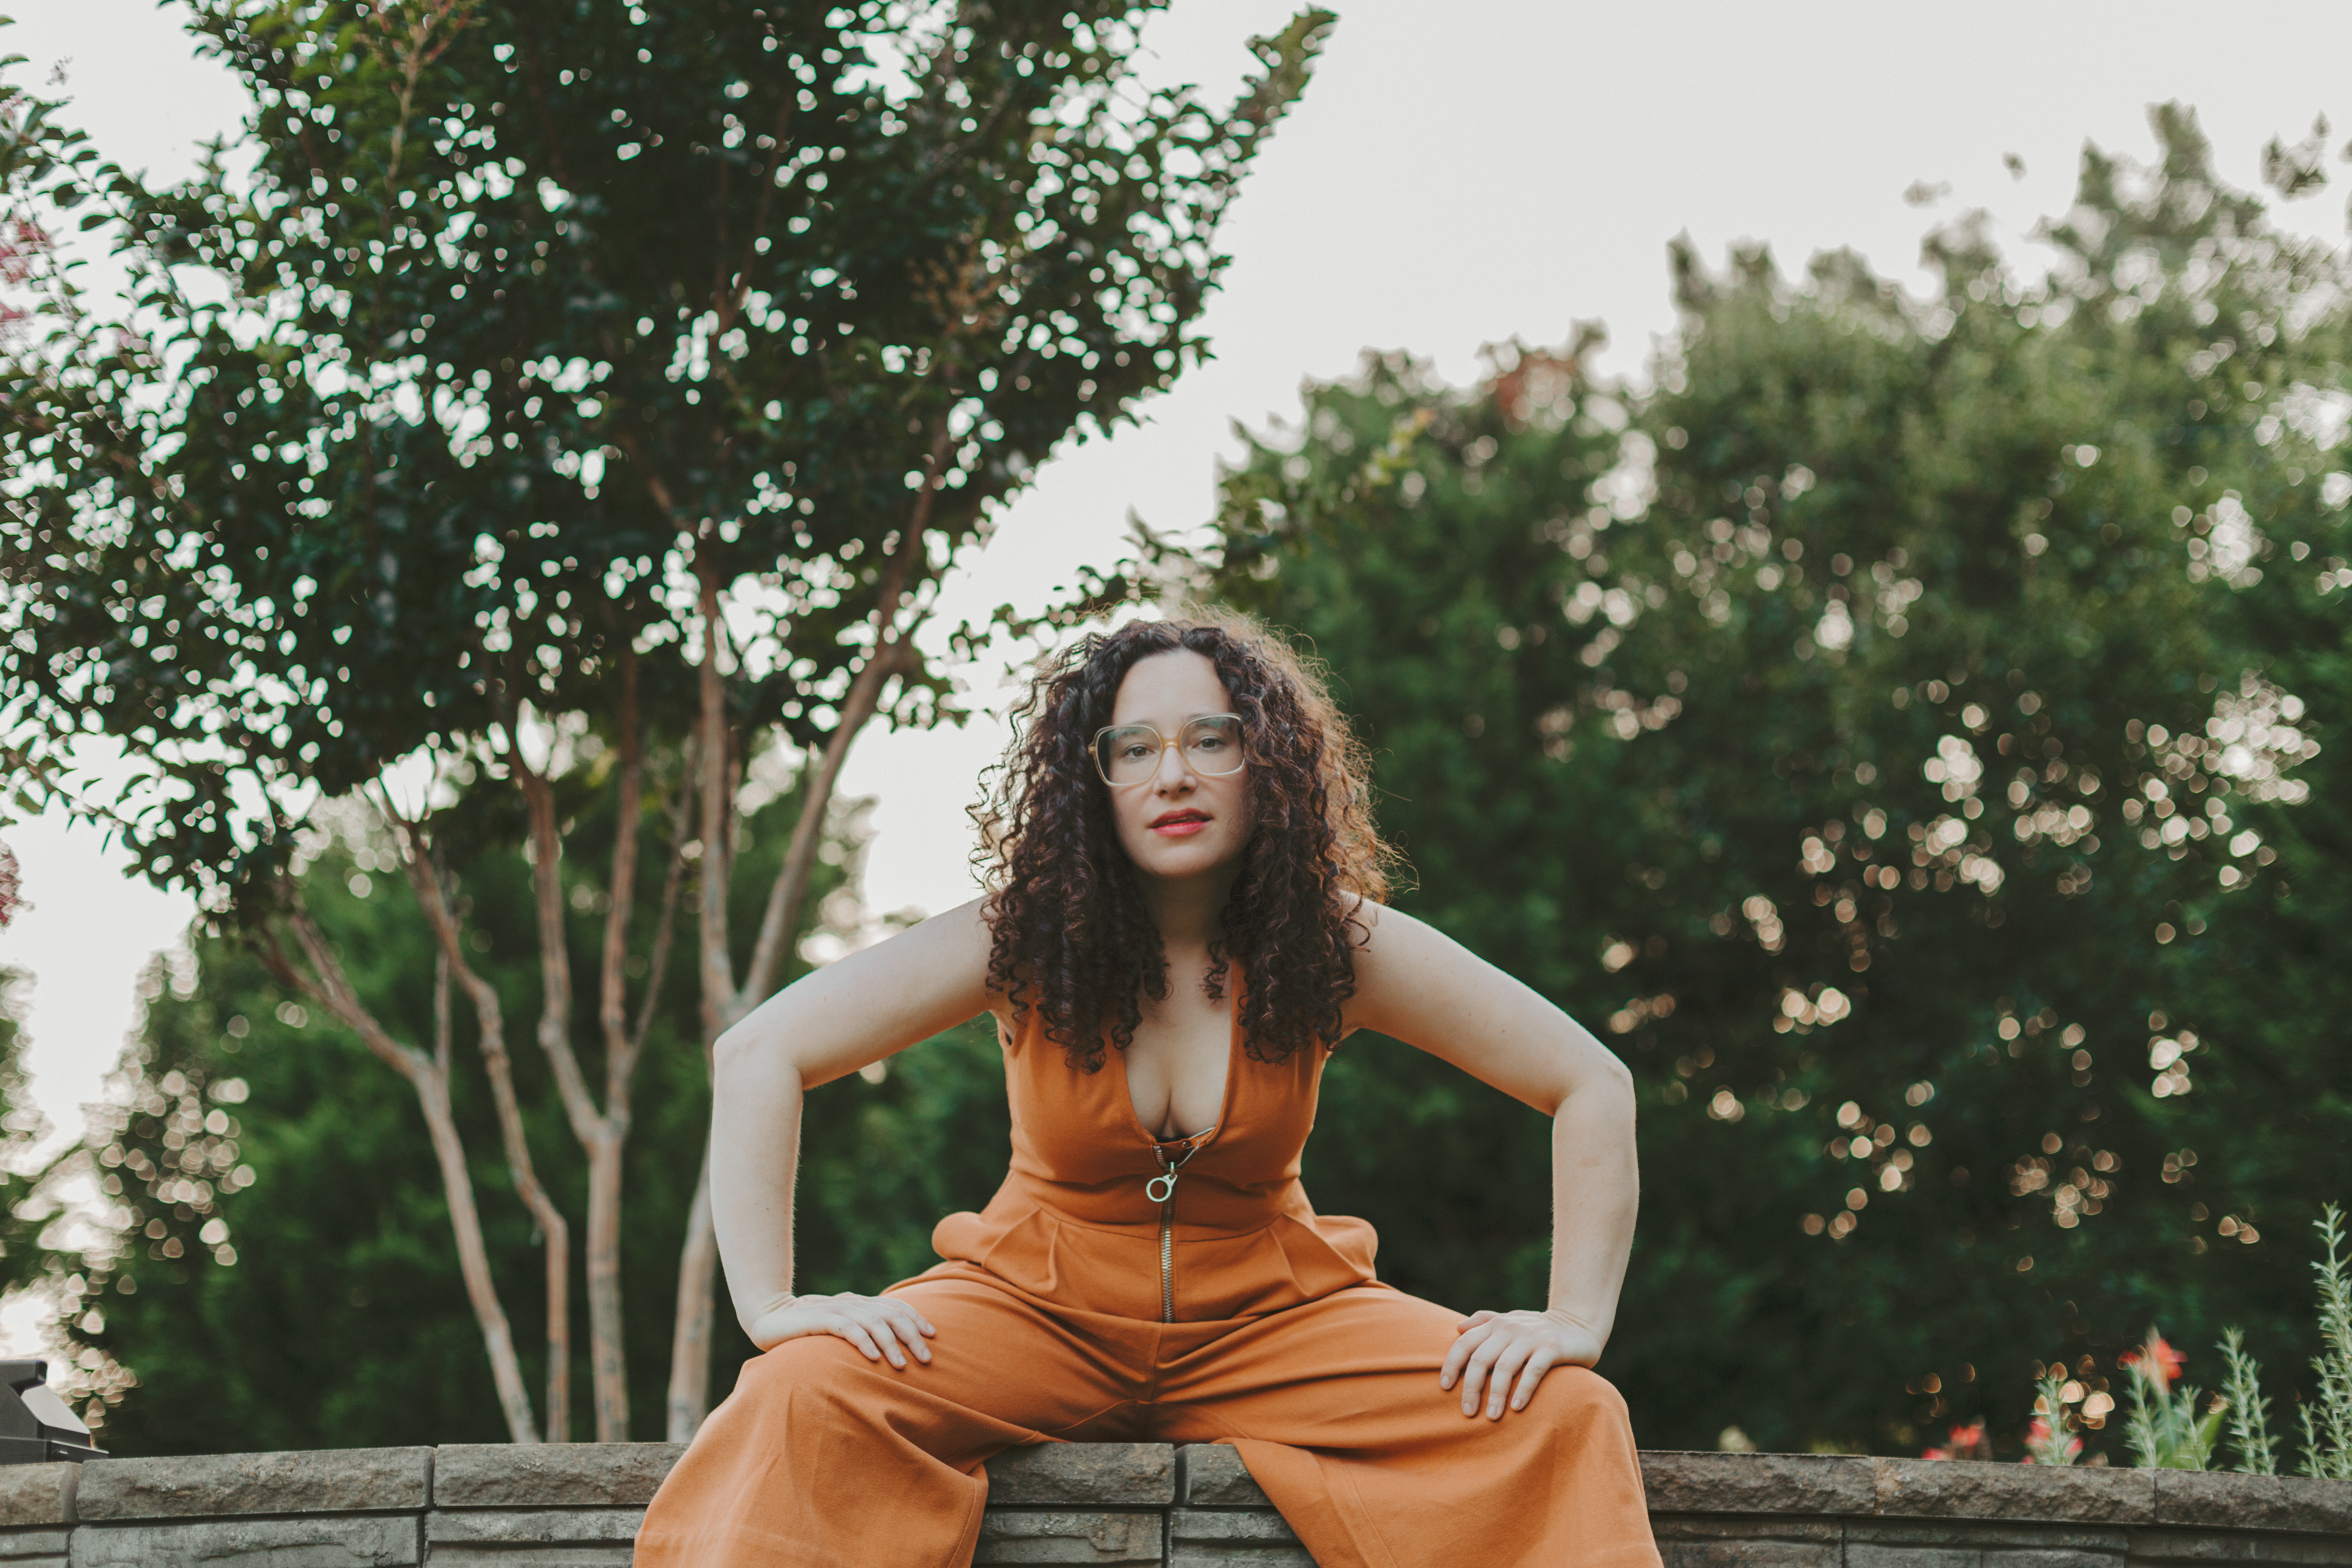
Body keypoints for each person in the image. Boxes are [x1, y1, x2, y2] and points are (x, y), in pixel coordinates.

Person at [636, 612, 1660, 1568]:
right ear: (1095, 782)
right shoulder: (1020, 937)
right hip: (1029, 1313)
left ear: (1269, 763)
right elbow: (760, 1051)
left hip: (1278, 1324)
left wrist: (1574, 1319)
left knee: (1564, 1411)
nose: (1174, 774)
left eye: (1212, 740)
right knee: (801, 1391)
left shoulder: (1335, 942)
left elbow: (1589, 1081)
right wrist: (772, 1306)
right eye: (1134, 749)